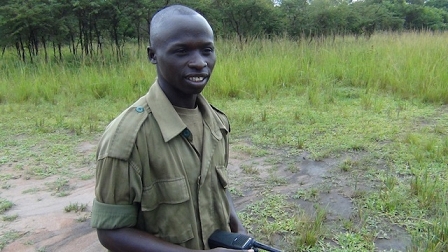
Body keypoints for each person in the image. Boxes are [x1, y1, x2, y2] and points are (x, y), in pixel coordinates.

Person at [90, 4, 252, 252]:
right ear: (153, 55)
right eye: (181, 51)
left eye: (207, 50)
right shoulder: (126, 138)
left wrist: (239, 231)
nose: (199, 63)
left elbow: (218, 188)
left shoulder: (217, 124)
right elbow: (112, 232)